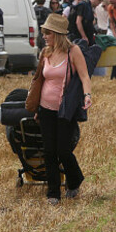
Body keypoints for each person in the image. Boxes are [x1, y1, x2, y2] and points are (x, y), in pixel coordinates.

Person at [35, 14, 92, 205]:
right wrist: (35, 106)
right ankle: (53, 194)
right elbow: (39, 81)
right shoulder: (45, 53)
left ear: (58, 34)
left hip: (64, 109)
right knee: (49, 151)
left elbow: (84, 76)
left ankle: (75, 179)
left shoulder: (73, 52)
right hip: (45, 108)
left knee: (63, 150)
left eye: (47, 33)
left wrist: (87, 96)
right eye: (44, 32)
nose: (44, 36)